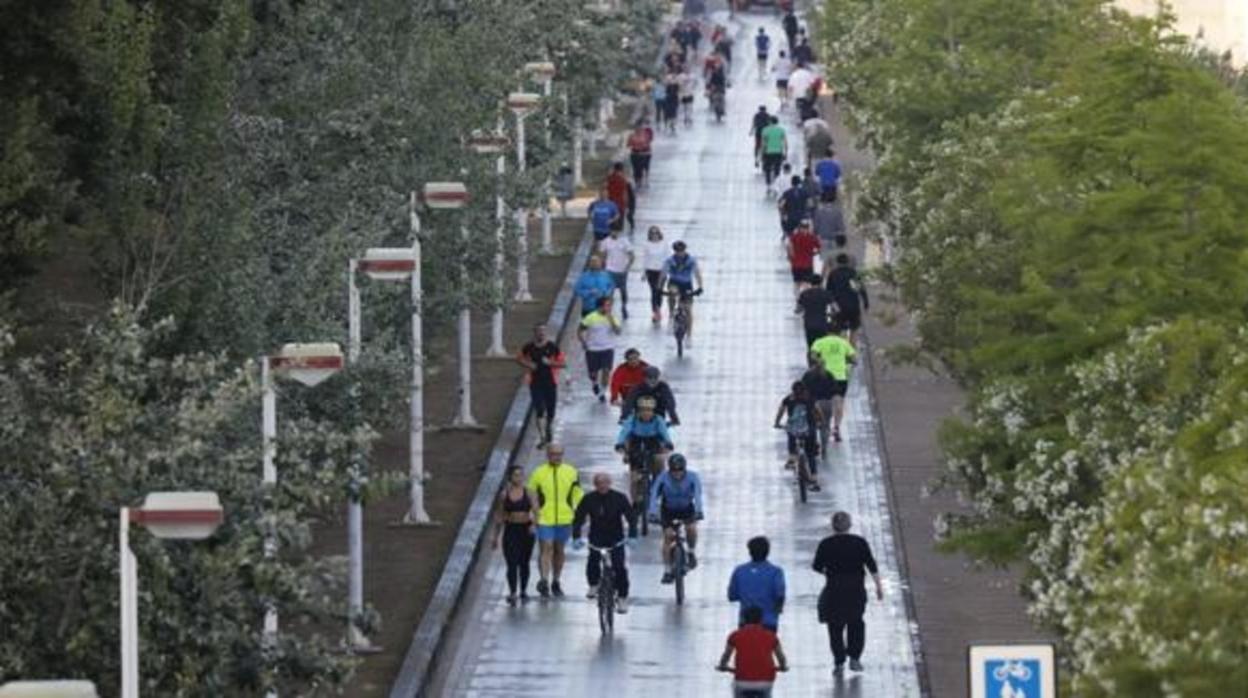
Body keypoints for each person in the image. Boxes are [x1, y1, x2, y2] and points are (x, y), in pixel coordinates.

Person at [813, 511, 883, 675]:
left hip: (834, 590)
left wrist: (829, 573)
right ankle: (855, 658)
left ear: (833, 526)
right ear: (850, 525)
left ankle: (839, 662)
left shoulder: (826, 544)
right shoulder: (859, 542)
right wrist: (879, 587)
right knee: (856, 623)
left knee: (835, 626)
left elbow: (816, 566)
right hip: (856, 590)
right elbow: (871, 565)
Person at [572, 472, 638, 612]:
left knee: (619, 568)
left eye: (605, 483)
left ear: (610, 483)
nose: (602, 486)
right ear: (595, 485)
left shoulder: (619, 498)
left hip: (616, 539)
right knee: (593, 561)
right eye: (599, 483)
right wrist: (576, 537)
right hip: (596, 538)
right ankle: (594, 585)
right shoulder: (589, 499)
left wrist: (632, 535)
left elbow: (631, 517)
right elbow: (578, 518)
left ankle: (622, 598)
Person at [526, 444, 584, 598]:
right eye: (553, 454)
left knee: (559, 550)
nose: (556, 457)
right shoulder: (539, 472)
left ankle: (556, 580)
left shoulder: (571, 472)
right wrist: (534, 513)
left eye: (559, 454)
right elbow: (531, 494)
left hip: (565, 517)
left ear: (563, 454)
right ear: (547, 455)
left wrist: (578, 511)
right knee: (546, 547)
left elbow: (577, 493)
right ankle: (544, 580)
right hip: (544, 517)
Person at [649, 453, 704, 583]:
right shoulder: (663, 478)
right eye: (674, 471)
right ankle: (667, 570)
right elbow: (653, 495)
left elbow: (697, 494)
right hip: (668, 510)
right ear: (670, 470)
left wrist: (699, 511)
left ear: (685, 469)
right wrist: (652, 512)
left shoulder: (693, 477)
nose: (677, 474)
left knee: (691, 529)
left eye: (680, 471)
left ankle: (691, 552)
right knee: (668, 537)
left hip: (686, 509)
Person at [717, 606, 789, 697]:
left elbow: (725, 656)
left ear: (743, 619)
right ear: (761, 620)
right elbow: (781, 658)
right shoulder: (771, 636)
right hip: (765, 682)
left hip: (742, 681)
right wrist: (782, 667)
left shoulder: (735, 636)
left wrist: (723, 666)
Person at [615, 396, 675, 503]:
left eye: (649, 410)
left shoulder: (658, 420)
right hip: (636, 445)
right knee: (634, 478)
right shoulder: (632, 419)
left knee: (659, 461)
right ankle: (635, 502)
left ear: (653, 410)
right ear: (638, 410)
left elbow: (665, 434)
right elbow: (624, 433)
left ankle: (657, 486)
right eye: (643, 410)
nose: (646, 413)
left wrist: (668, 443)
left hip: (654, 444)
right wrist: (620, 444)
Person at [516, 323, 566, 448]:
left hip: (550, 383)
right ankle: (543, 437)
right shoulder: (529, 347)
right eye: (539, 331)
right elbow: (518, 358)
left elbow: (563, 363)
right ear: (534, 333)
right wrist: (529, 365)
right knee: (539, 410)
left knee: (550, 412)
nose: (541, 333)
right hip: (535, 383)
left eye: (543, 331)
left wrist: (550, 363)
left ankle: (549, 427)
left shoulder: (552, 347)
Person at [492, 465, 536, 605]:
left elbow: (537, 511)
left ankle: (523, 590)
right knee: (511, 563)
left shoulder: (529, 492)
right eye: (516, 475)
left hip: (526, 530)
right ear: (510, 477)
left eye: (521, 475)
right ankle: (512, 592)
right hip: (511, 530)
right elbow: (500, 515)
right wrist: (495, 536)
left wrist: (534, 525)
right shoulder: (504, 494)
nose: (519, 477)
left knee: (524, 562)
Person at [810, 323, 857, 443]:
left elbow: (813, 355)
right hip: (840, 376)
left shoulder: (820, 341)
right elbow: (854, 358)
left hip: (824, 376)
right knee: (839, 402)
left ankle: (820, 422)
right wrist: (849, 362)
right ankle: (836, 427)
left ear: (827, 332)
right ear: (838, 332)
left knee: (820, 400)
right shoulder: (843, 343)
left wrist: (820, 361)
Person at [728, 536, 786, 631]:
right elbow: (780, 595)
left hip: (745, 622)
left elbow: (732, 596)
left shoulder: (739, 571)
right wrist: (778, 609)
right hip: (768, 622)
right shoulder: (776, 572)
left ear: (750, 552)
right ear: (768, 552)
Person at [774, 380, 823, 490]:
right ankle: (814, 479)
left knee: (790, 432)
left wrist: (777, 423)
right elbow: (818, 411)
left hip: (794, 429)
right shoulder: (810, 398)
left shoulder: (789, 398)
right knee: (810, 455)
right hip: (809, 429)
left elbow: (781, 410)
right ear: (805, 389)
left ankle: (792, 456)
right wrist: (820, 422)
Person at [578, 296, 621, 402]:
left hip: (607, 348)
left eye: (610, 305)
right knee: (593, 373)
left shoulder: (613, 318)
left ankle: (602, 392)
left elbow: (618, 332)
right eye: (607, 305)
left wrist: (611, 320)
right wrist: (583, 342)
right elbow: (579, 330)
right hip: (592, 349)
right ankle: (595, 383)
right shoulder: (590, 317)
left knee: (606, 370)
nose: (609, 308)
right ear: (600, 306)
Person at [662, 240, 705, 345]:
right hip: (674, 282)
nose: (679, 253)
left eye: (681, 251)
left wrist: (700, 287)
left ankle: (689, 337)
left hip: (686, 284)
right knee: (672, 293)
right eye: (677, 251)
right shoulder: (670, 260)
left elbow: (697, 273)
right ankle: (671, 317)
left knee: (688, 310)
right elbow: (663, 274)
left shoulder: (691, 260)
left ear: (685, 250)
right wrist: (659, 287)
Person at [824, 253, 869, 345]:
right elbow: (860, 288)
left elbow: (828, 291)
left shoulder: (833, 274)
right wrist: (865, 302)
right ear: (847, 262)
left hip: (839, 306)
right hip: (853, 305)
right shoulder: (853, 273)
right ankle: (852, 351)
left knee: (841, 329)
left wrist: (828, 305)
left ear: (837, 262)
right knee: (854, 329)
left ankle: (843, 349)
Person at [802, 354, 838, 454]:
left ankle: (813, 445)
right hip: (826, 403)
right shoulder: (829, 375)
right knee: (825, 426)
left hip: (812, 404)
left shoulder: (808, 375)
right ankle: (824, 447)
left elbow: (802, 389)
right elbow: (835, 390)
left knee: (811, 425)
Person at [599, 226, 634, 318]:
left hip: (622, 270)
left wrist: (627, 267)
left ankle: (624, 306)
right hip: (610, 270)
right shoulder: (605, 242)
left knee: (623, 291)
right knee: (610, 291)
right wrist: (602, 268)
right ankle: (608, 310)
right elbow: (602, 256)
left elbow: (631, 255)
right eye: (612, 231)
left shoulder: (624, 241)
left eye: (616, 231)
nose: (614, 233)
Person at [812, 192, 846, 272]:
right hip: (834, 239)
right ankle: (831, 275)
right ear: (834, 201)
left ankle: (824, 276)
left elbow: (816, 226)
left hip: (823, 238)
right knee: (833, 260)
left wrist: (815, 235)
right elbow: (841, 227)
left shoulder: (819, 211)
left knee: (824, 260)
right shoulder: (837, 212)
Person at [796, 280, 834, 349]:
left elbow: (798, 310)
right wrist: (830, 314)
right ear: (821, 283)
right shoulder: (826, 293)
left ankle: (811, 358)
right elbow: (836, 309)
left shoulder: (804, 294)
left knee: (811, 346)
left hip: (809, 324)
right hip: (822, 324)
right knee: (822, 346)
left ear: (811, 283)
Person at [786, 220, 821, 292]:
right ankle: (806, 297)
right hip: (808, 264)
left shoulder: (794, 236)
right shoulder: (812, 237)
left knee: (796, 283)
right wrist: (814, 253)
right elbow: (819, 247)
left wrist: (790, 256)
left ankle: (797, 298)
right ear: (808, 228)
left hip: (796, 264)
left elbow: (788, 246)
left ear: (799, 227)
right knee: (807, 283)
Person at [642, 226, 668, 323]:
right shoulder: (647, 245)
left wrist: (666, 271)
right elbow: (645, 258)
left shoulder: (664, 244)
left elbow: (667, 258)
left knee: (659, 291)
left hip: (661, 271)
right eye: (652, 233)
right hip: (651, 271)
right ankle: (655, 311)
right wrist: (644, 272)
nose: (654, 235)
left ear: (659, 234)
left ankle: (658, 308)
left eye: (656, 233)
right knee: (653, 291)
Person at [759, 116, 787, 194]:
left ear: (770, 121)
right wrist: (785, 153)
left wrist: (761, 154)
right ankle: (775, 185)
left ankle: (768, 185)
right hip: (778, 152)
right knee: (777, 169)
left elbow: (763, 144)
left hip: (768, 152)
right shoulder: (781, 130)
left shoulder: (765, 130)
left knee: (767, 169)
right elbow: (785, 143)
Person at [628, 119, 655, 188]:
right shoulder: (632, 135)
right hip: (634, 154)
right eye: (637, 127)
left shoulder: (646, 134)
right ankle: (637, 181)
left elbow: (649, 142)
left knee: (643, 167)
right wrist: (634, 145)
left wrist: (643, 147)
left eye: (641, 126)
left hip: (645, 154)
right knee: (635, 168)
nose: (639, 128)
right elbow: (628, 144)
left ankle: (643, 178)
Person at [605, 162, 630, 231]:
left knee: (610, 225)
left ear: (614, 169)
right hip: (620, 204)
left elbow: (605, 189)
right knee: (619, 227)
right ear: (622, 170)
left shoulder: (609, 178)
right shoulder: (623, 179)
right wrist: (627, 205)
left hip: (610, 203)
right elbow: (625, 194)